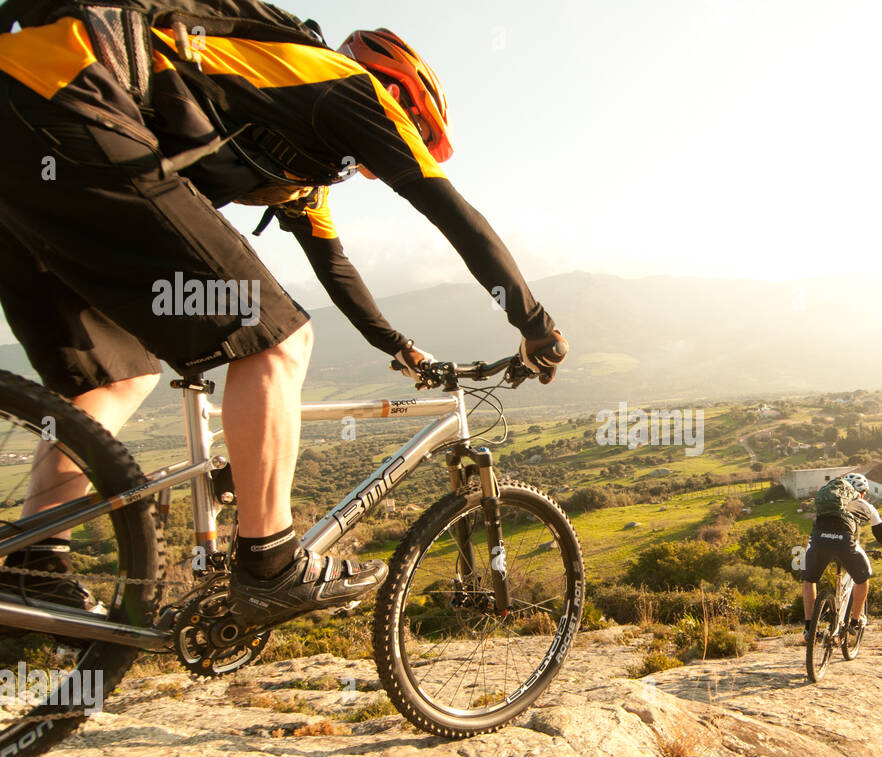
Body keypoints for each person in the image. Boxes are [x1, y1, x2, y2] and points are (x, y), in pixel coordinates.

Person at [0, 11, 566, 627]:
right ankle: (270, 565)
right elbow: (448, 209)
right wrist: (534, 323)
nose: (385, 160)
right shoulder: (351, 87)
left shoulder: (297, 169)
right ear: (399, 93)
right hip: (64, 87)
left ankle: (35, 562)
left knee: (113, 379)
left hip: (27, 119)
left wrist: (400, 348)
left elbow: (336, 270)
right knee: (277, 344)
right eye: (416, 132)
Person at [801, 473, 882, 645]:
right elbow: (881, 532)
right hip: (844, 542)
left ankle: (809, 628)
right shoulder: (863, 504)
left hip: (818, 539)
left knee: (809, 580)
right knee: (863, 577)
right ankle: (854, 622)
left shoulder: (829, 500)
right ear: (862, 492)